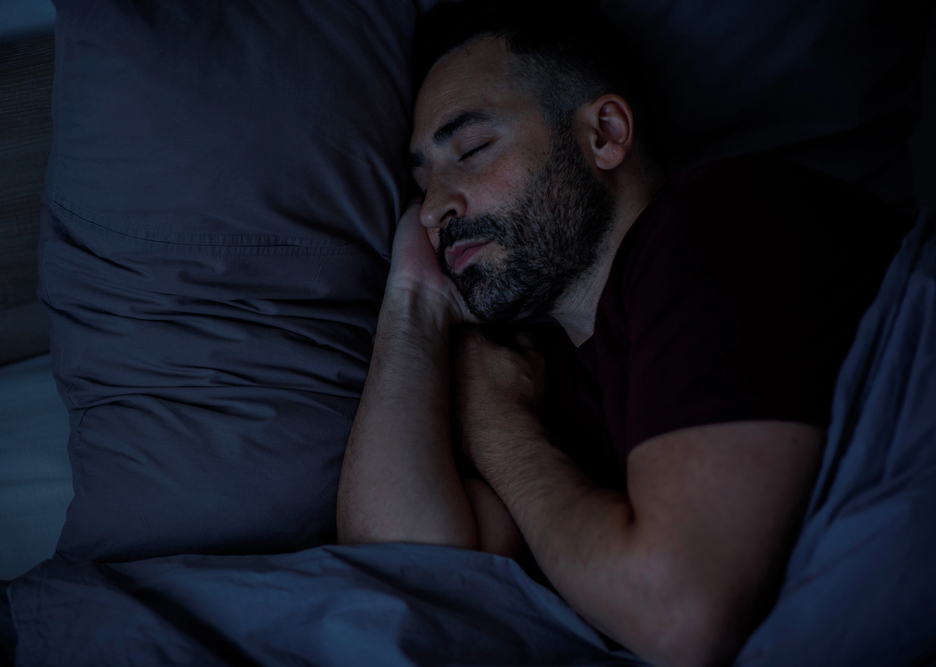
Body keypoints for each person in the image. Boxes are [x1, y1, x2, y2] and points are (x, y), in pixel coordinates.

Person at [335, 2, 909, 665]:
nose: (435, 207)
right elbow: (403, 566)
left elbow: (680, 616)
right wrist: (412, 303)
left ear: (604, 134)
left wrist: (498, 429)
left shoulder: (721, 223)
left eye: (471, 150)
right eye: (422, 183)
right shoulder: (541, 375)